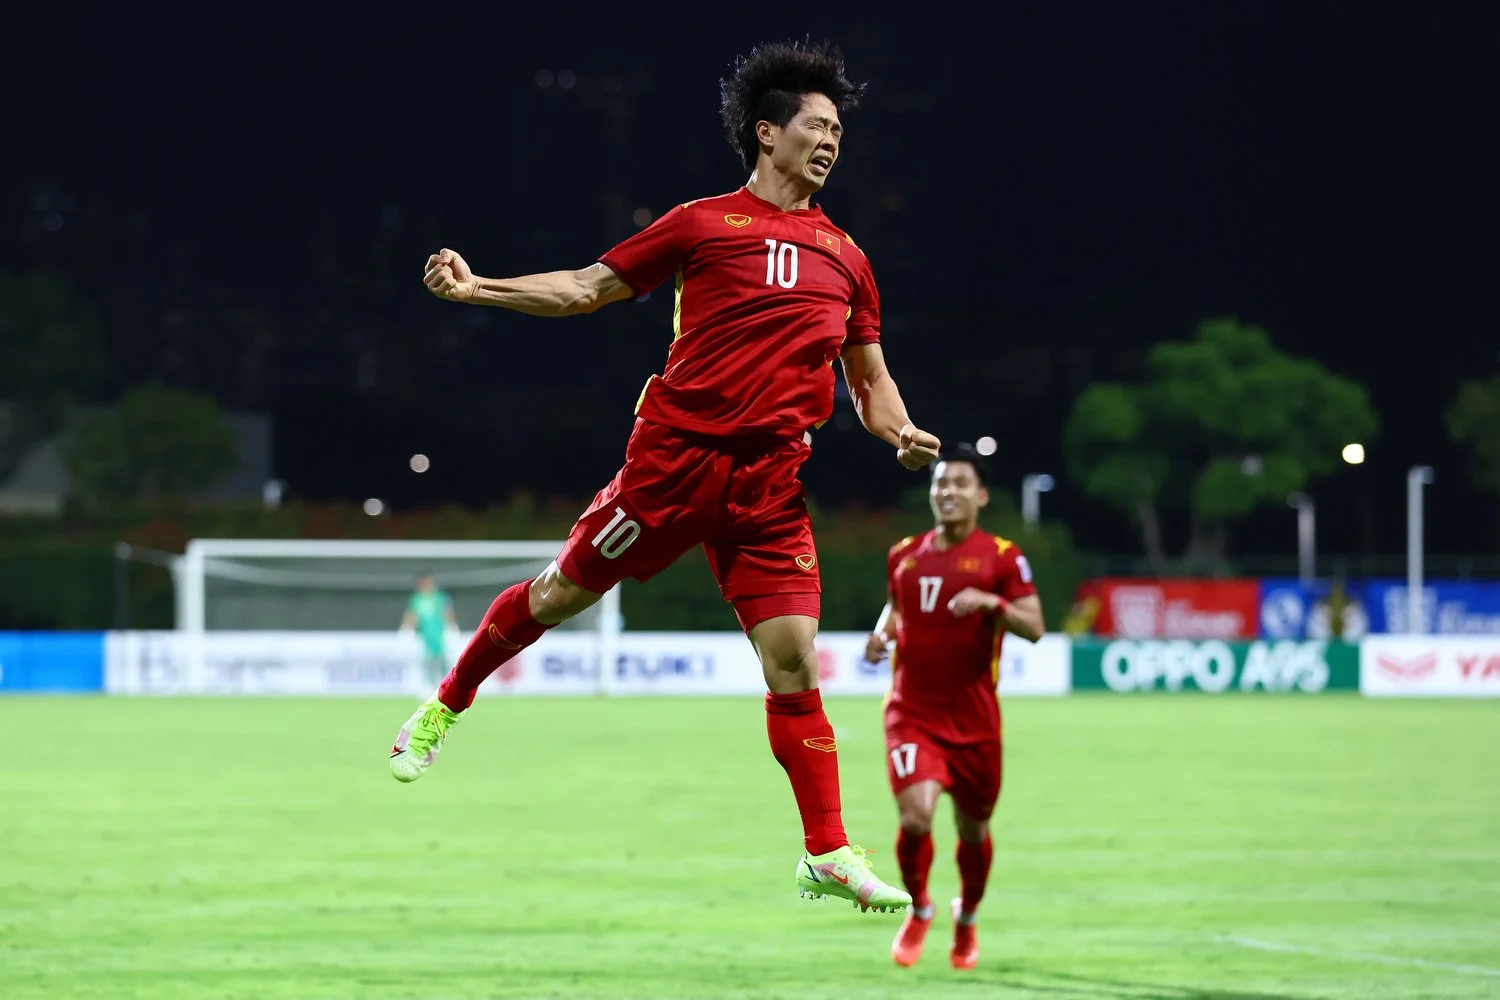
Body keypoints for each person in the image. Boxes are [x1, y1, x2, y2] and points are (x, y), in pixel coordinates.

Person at [389, 38, 941, 915]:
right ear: (768, 134)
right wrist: (478, 290)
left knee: (796, 660)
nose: (833, 142)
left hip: (771, 487)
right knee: (559, 597)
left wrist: (902, 433)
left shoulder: (848, 256)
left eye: (840, 129)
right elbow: (582, 288)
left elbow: (870, 383)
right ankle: (447, 701)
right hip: (673, 467)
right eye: (817, 126)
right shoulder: (699, 224)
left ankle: (827, 851)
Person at [864, 443, 1046, 966]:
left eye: (960, 483)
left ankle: (965, 918)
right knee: (916, 815)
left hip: (975, 722)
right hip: (911, 712)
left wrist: (993, 603)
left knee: (973, 829)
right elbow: (897, 607)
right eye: (940, 483)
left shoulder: (1004, 557)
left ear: (981, 495)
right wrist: (882, 636)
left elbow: (1034, 626)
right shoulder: (905, 553)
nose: (948, 492)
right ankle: (919, 908)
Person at [400, 574, 458, 687]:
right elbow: (412, 615)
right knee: (427, 664)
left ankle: (450, 687)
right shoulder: (417, 599)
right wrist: (407, 628)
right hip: (426, 637)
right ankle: (429, 688)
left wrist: (451, 626)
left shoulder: (440, 597)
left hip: (441, 636)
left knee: (445, 663)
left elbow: (447, 612)